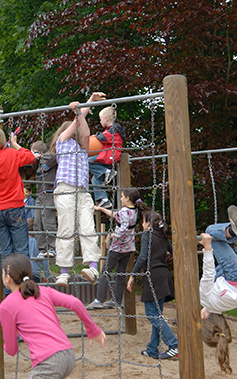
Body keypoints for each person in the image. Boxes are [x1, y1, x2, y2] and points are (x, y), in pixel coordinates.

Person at [0, 254, 106, 377]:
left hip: (48, 361)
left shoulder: (6, 305)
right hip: (68, 354)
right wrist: (92, 329)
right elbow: (75, 302)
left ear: (8, 278)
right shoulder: (43, 291)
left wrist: (6, 345)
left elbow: (12, 350)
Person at [51, 93, 106, 286]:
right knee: (66, 229)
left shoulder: (82, 147)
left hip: (82, 193)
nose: (79, 130)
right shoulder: (62, 143)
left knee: (88, 229)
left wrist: (86, 105)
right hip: (66, 190)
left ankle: (92, 267)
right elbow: (76, 126)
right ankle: (64, 272)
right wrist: (78, 111)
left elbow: (84, 132)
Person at [197, 210, 237, 374]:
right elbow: (208, 273)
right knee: (211, 231)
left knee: (220, 277)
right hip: (236, 274)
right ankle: (233, 231)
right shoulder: (206, 301)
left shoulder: (228, 305)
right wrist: (207, 248)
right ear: (203, 317)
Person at [0, 126, 38, 266]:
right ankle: (23, 286)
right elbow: (31, 157)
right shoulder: (11, 154)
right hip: (14, 207)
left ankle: (9, 287)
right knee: (22, 251)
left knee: (5, 253)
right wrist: (15, 145)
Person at [127, 209, 178, 360]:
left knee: (152, 315)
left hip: (153, 277)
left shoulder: (147, 235)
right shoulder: (162, 236)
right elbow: (173, 250)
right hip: (163, 276)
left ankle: (173, 344)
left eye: (143, 221)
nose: (142, 225)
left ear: (148, 224)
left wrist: (132, 276)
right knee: (158, 316)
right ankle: (152, 349)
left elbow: (142, 257)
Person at [86, 188, 139, 310]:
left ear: (127, 198)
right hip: (129, 247)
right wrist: (101, 209)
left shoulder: (125, 211)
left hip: (118, 248)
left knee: (105, 271)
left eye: (122, 196)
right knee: (120, 273)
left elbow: (123, 229)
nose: (120, 199)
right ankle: (116, 301)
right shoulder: (133, 210)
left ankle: (99, 299)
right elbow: (115, 215)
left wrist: (110, 236)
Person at [87, 105, 126, 208]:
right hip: (109, 155)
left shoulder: (114, 129)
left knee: (87, 161)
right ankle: (104, 200)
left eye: (101, 119)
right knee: (95, 180)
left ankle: (107, 172)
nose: (100, 122)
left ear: (106, 119)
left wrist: (95, 135)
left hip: (110, 155)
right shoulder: (112, 129)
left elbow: (102, 137)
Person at [31, 140, 57, 259]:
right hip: (39, 195)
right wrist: (35, 158)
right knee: (37, 222)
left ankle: (53, 248)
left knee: (48, 221)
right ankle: (42, 249)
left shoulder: (51, 157)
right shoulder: (37, 163)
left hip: (49, 192)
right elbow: (32, 163)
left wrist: (45, 164)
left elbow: (56, 156)